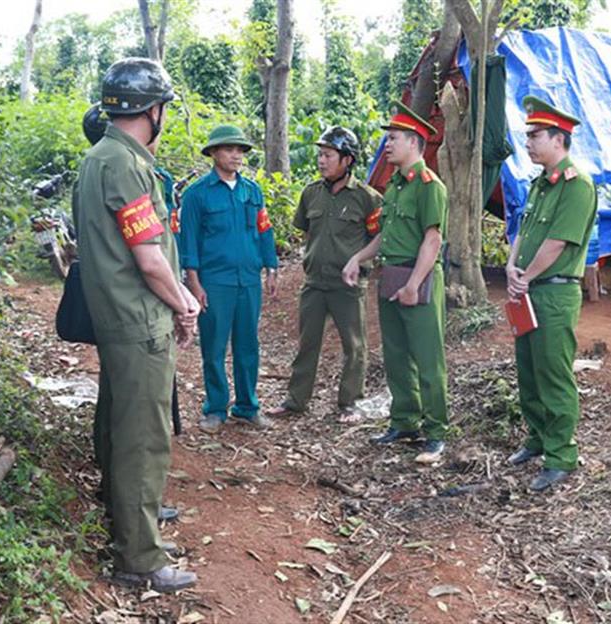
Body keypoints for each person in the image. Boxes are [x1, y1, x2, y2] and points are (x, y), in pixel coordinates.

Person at [75, 58, 199, 592]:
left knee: (117, 423)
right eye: (164, 108)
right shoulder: (126, 166)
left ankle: (129, 519)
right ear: (153, 111)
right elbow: (149, 259)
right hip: (138, 321)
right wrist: (184, 305)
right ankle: (140, 558)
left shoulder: (98, 158)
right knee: (143, 438)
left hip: (116, 317)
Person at [342, 102, 449, 464]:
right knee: (397, 355)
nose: (387, 145)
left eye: (393, 139)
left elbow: (432, 240)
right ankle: (405, 421)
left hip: (415, 278)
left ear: (414, 143)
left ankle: (435, 433)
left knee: (428, 359)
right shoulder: (396, 187)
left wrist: (414, 285)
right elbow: (385, 236)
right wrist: (358, 258)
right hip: (391, 276)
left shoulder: (428, 186)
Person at [504, 95, 597, 492]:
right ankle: (537, 439)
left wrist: (525, 276)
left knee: (554, 374)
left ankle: (561, 455)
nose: (527, 143)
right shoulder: (541, 184)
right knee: (528, 369)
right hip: (528, 288)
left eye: (535, 135)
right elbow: (524, 231)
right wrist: (511, 265)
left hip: (554, 294)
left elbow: (559, 241)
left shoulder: (577, 185)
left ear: (559, 139)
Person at [267, 127, 382, 422]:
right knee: (307, 343)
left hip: (348, 286)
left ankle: (350, 402)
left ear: (347, 160)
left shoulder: (367, 198)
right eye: (320, 155)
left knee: (354, 346)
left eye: (328, 155)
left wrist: (357, 262)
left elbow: (378, 237)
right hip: (315, 283)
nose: (321, 160)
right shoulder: (310, 194)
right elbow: (307, 230)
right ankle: (296, 401)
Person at [180, 125, 279, 434]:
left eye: (240, 150)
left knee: (248, 344)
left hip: (248, 280)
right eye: (229, 149)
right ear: (213, 153)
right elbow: (189, 242)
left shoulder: (253, 191)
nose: (237, 155)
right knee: (214, 345)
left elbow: (264, 230)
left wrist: (271, 266)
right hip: (214, 281)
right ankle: (215, 408)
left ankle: (248, 407)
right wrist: (194, 283)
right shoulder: (197, 194)